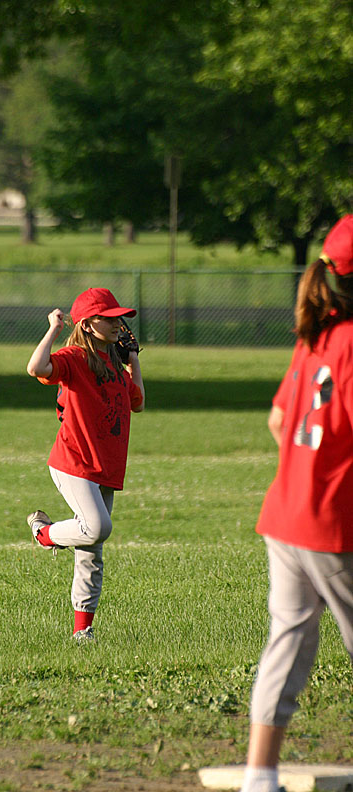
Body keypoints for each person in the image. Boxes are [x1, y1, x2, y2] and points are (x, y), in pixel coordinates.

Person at [240, 214, 353, 792]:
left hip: (286, 514)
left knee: (289, 637)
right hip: (334, 522)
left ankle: (259, 776)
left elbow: (279, 420)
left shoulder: (318, 334)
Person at [26, 287, 145, 642]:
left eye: (118, 317)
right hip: (73, 461)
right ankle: (44, 534)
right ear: (88, 324)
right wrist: (53, 330)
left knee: (91, 551)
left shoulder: (113, 363)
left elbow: (137, 402)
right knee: (95, 528)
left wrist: (133, 359)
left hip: (106, 463)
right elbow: (36, 367)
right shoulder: (75, 356)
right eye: (108, 318)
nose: (117, 324)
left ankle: (83, 630)